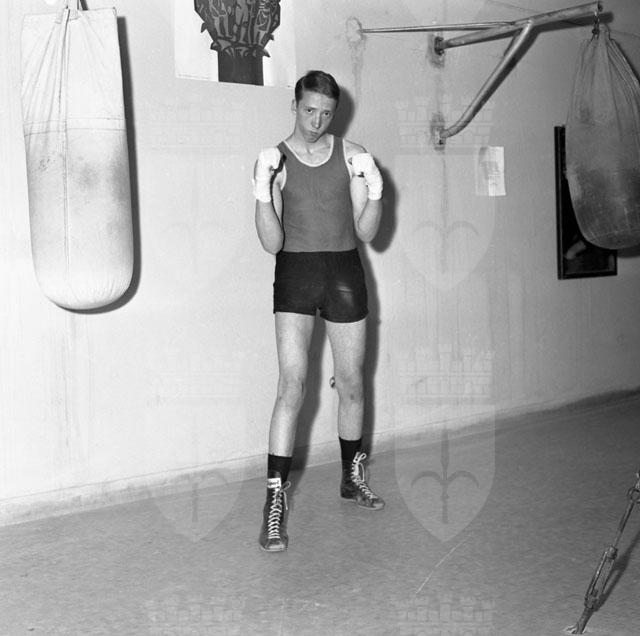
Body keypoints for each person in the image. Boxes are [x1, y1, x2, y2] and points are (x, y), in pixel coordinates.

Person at [252, 70, 385, 552]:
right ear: (295, 105)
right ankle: (274, 503)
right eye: (309, 110)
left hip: (344, 272)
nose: (316, 121)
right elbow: (272, 243)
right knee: (292, 385)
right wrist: (261, 190)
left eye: (326, 113)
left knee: (351, 383)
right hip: (296, 273)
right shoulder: (275, 161)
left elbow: (367, 232)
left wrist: (375, 190)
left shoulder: (351, 154)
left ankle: (352, 477)